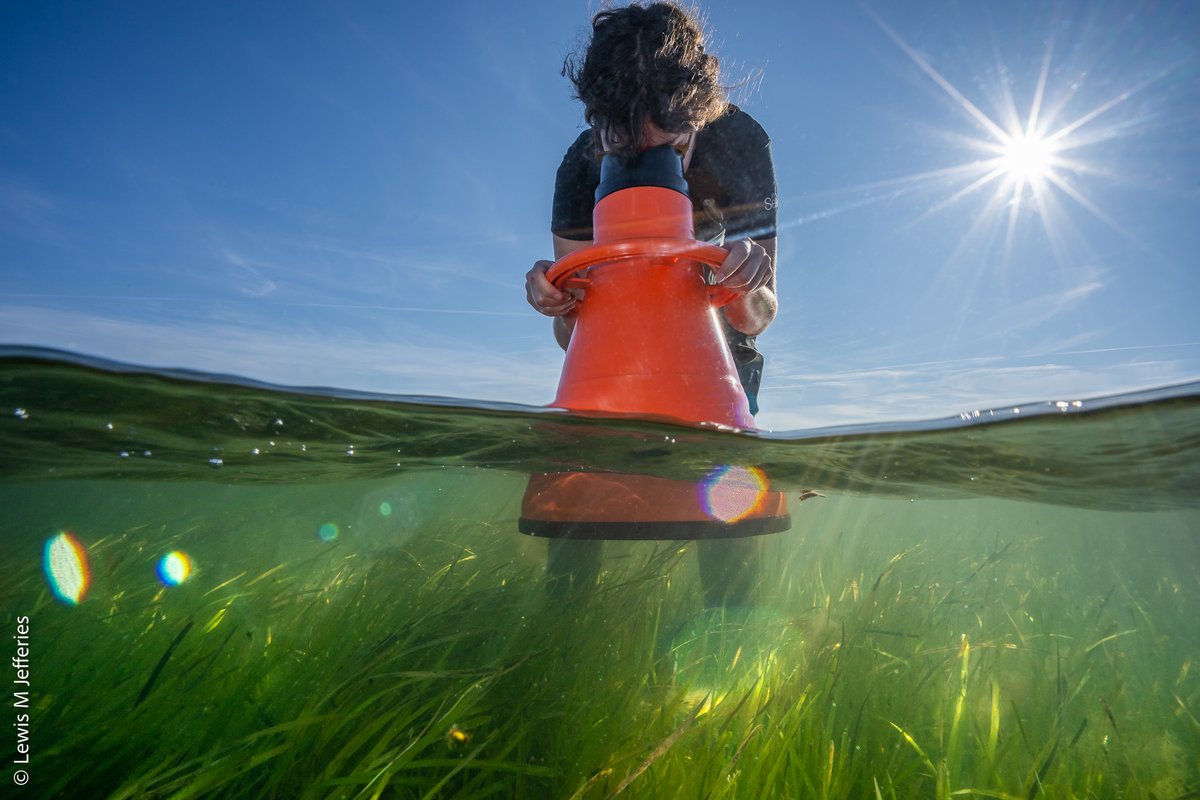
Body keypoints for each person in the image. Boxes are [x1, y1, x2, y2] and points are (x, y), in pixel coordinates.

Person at [524, 1, 780, 606]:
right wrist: (557, 302)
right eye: (621, 146)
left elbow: (762, 317)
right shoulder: (580, 168)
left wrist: (745, 287)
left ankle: (731, 641)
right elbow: (571, 340)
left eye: (665, 146)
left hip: (716, 359)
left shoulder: (739, 144)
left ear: (700, 114)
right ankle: (559, 649)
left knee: (726, 532)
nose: (641, 159)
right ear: (597, 122)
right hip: (610, 366)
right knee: (575, 533)